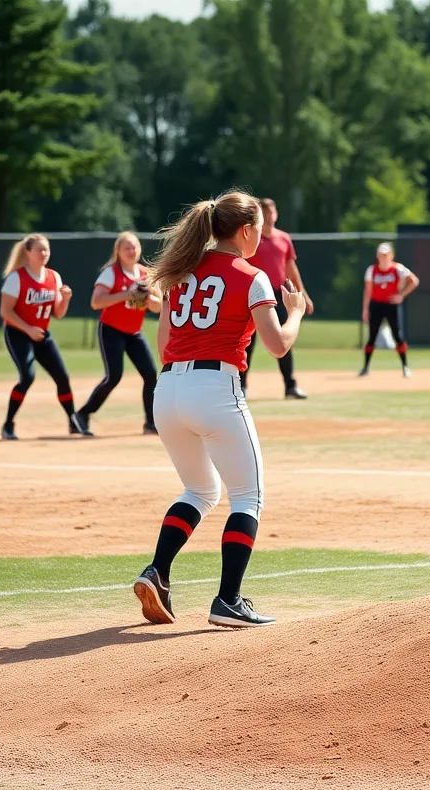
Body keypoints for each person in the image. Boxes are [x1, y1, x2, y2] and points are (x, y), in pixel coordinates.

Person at [134, 189, 304, 629]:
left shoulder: (178, 271)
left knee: (200, 491)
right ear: (245, 230)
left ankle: (157, 571)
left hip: (167, 390)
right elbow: (277, 345)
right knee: (246, 496)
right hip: (215, 387)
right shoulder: (252, 276)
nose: (260, 240)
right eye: (259, 232)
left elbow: (165, 344)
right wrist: (296, 313)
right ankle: (228, 599)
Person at [0, 234, 92, 440]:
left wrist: (65, 299)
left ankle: (73, 421)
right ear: (27, 253)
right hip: (18, 334)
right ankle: (8, 424)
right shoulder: (17, 278)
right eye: (39, 250)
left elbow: (58, 313)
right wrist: (28, 329)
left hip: (41, 334)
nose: (44, 253)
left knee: (62, 377)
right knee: (27, 377)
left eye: (46, 249)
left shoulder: (53, 277)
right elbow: (6, 312)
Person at [76, 232, 163, 436]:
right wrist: (127, 294)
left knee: (151, 375)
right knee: (113, 377)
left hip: (134, 332)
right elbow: (96, 302)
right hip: (111, 330)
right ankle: (82, 414)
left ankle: (150, 422)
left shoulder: (145, 274)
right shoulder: (111, 273)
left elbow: (159, 307)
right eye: (127, 248)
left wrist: (149, 297)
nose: (132, 251)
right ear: (118, 251)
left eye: (135, 247)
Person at [242, 197, 313, 398]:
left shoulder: (283, 238)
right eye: (264, 213)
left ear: (276, 214)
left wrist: (303, 294)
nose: (269, 216)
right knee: (247, 342)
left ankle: (290, 386)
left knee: (284, 339)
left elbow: (291, 268)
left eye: (272, 212)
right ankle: (241, 386)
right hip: (254, 293)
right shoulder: (251, 237)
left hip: (278, 294)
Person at [359, 241, 419, 377]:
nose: (383, 257)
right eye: (381, 254)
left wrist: (401, 295)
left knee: (398, 336)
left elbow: (414, 281)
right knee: (372, 337)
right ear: (377, 256)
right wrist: (365, 309)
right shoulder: (372, 270)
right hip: (376, 305)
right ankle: (365, 367)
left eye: (386, 254)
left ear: (391, 255)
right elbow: (368, 290)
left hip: (391, 305)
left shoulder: (398, 269)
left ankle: (405, 367)